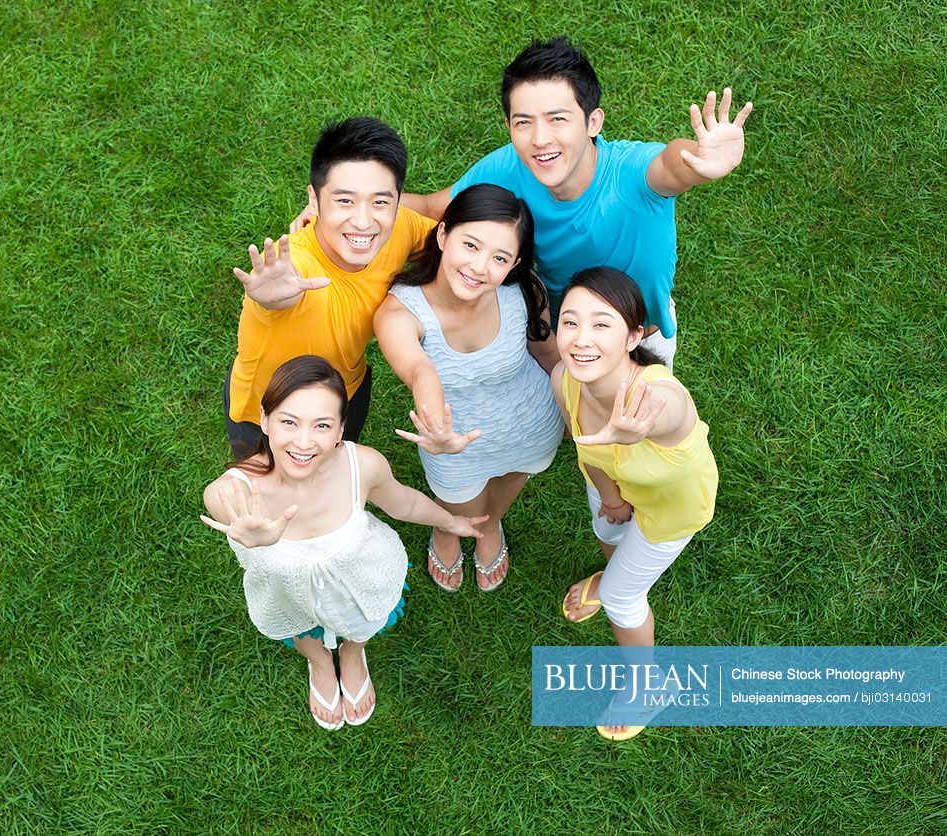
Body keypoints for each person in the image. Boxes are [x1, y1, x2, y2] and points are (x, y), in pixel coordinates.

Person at [295, 37, 753, 370]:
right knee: (585, 425)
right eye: (523, 122)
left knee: (647, 433)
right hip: (562, 328)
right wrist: (356, 206)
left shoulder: (632, 173)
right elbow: (436, 207)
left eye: (557, 119)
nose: (539, 140)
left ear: (593, 120)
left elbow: (670, 166)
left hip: (642, 330)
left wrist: (699, 163)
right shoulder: (506, 167)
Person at [202, 355, 487, 730]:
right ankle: (319, 662)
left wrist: (452, 522)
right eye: (289, 422)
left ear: (340, 431)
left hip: (361, 580)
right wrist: (261, 544)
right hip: (291, 595)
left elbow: (404, 503)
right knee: (301, 627)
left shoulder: (362, 465)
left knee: (362, 622)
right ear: (264, 418)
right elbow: (220, 504)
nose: (303, 443)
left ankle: (353, 655)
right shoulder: (231, 494)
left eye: (321, 425)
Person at [550, 267, 718, 741]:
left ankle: (647, 685)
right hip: (616, 484)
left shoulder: (660, 396)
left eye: (602, 324)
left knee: (625, 599)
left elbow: (670, 407)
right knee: (607, 531)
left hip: (672, 507)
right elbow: (586, 443)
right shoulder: (564, 378)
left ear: (633, 337)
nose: (582, 339)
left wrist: (639, 426)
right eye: (570, 322)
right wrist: (608, 493)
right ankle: (611, 572)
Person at [374, 184, 564, 592]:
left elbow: (548, 354)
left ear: (514, 264)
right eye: (470, 245)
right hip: (454, 439)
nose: (480, 267)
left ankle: (491, 525)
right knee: (460, 502)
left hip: (531, 423)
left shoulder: (523, 289)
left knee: (514, 478)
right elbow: (420, 371)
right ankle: (448, 530)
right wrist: (438, 431)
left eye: (499, 258)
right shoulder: (399, 312)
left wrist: (570, 409)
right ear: (443, 235)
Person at [225, 117, 436, 459]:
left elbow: (452, 241)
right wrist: (268, 301)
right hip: (271, 413)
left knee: (334, 467)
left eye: (380, 201)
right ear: (314, 199)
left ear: (398, 200)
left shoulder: (402, 228)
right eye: (345, 201)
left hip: (347, 390)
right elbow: (285, 289)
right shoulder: (296, 271)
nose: (364, 222)